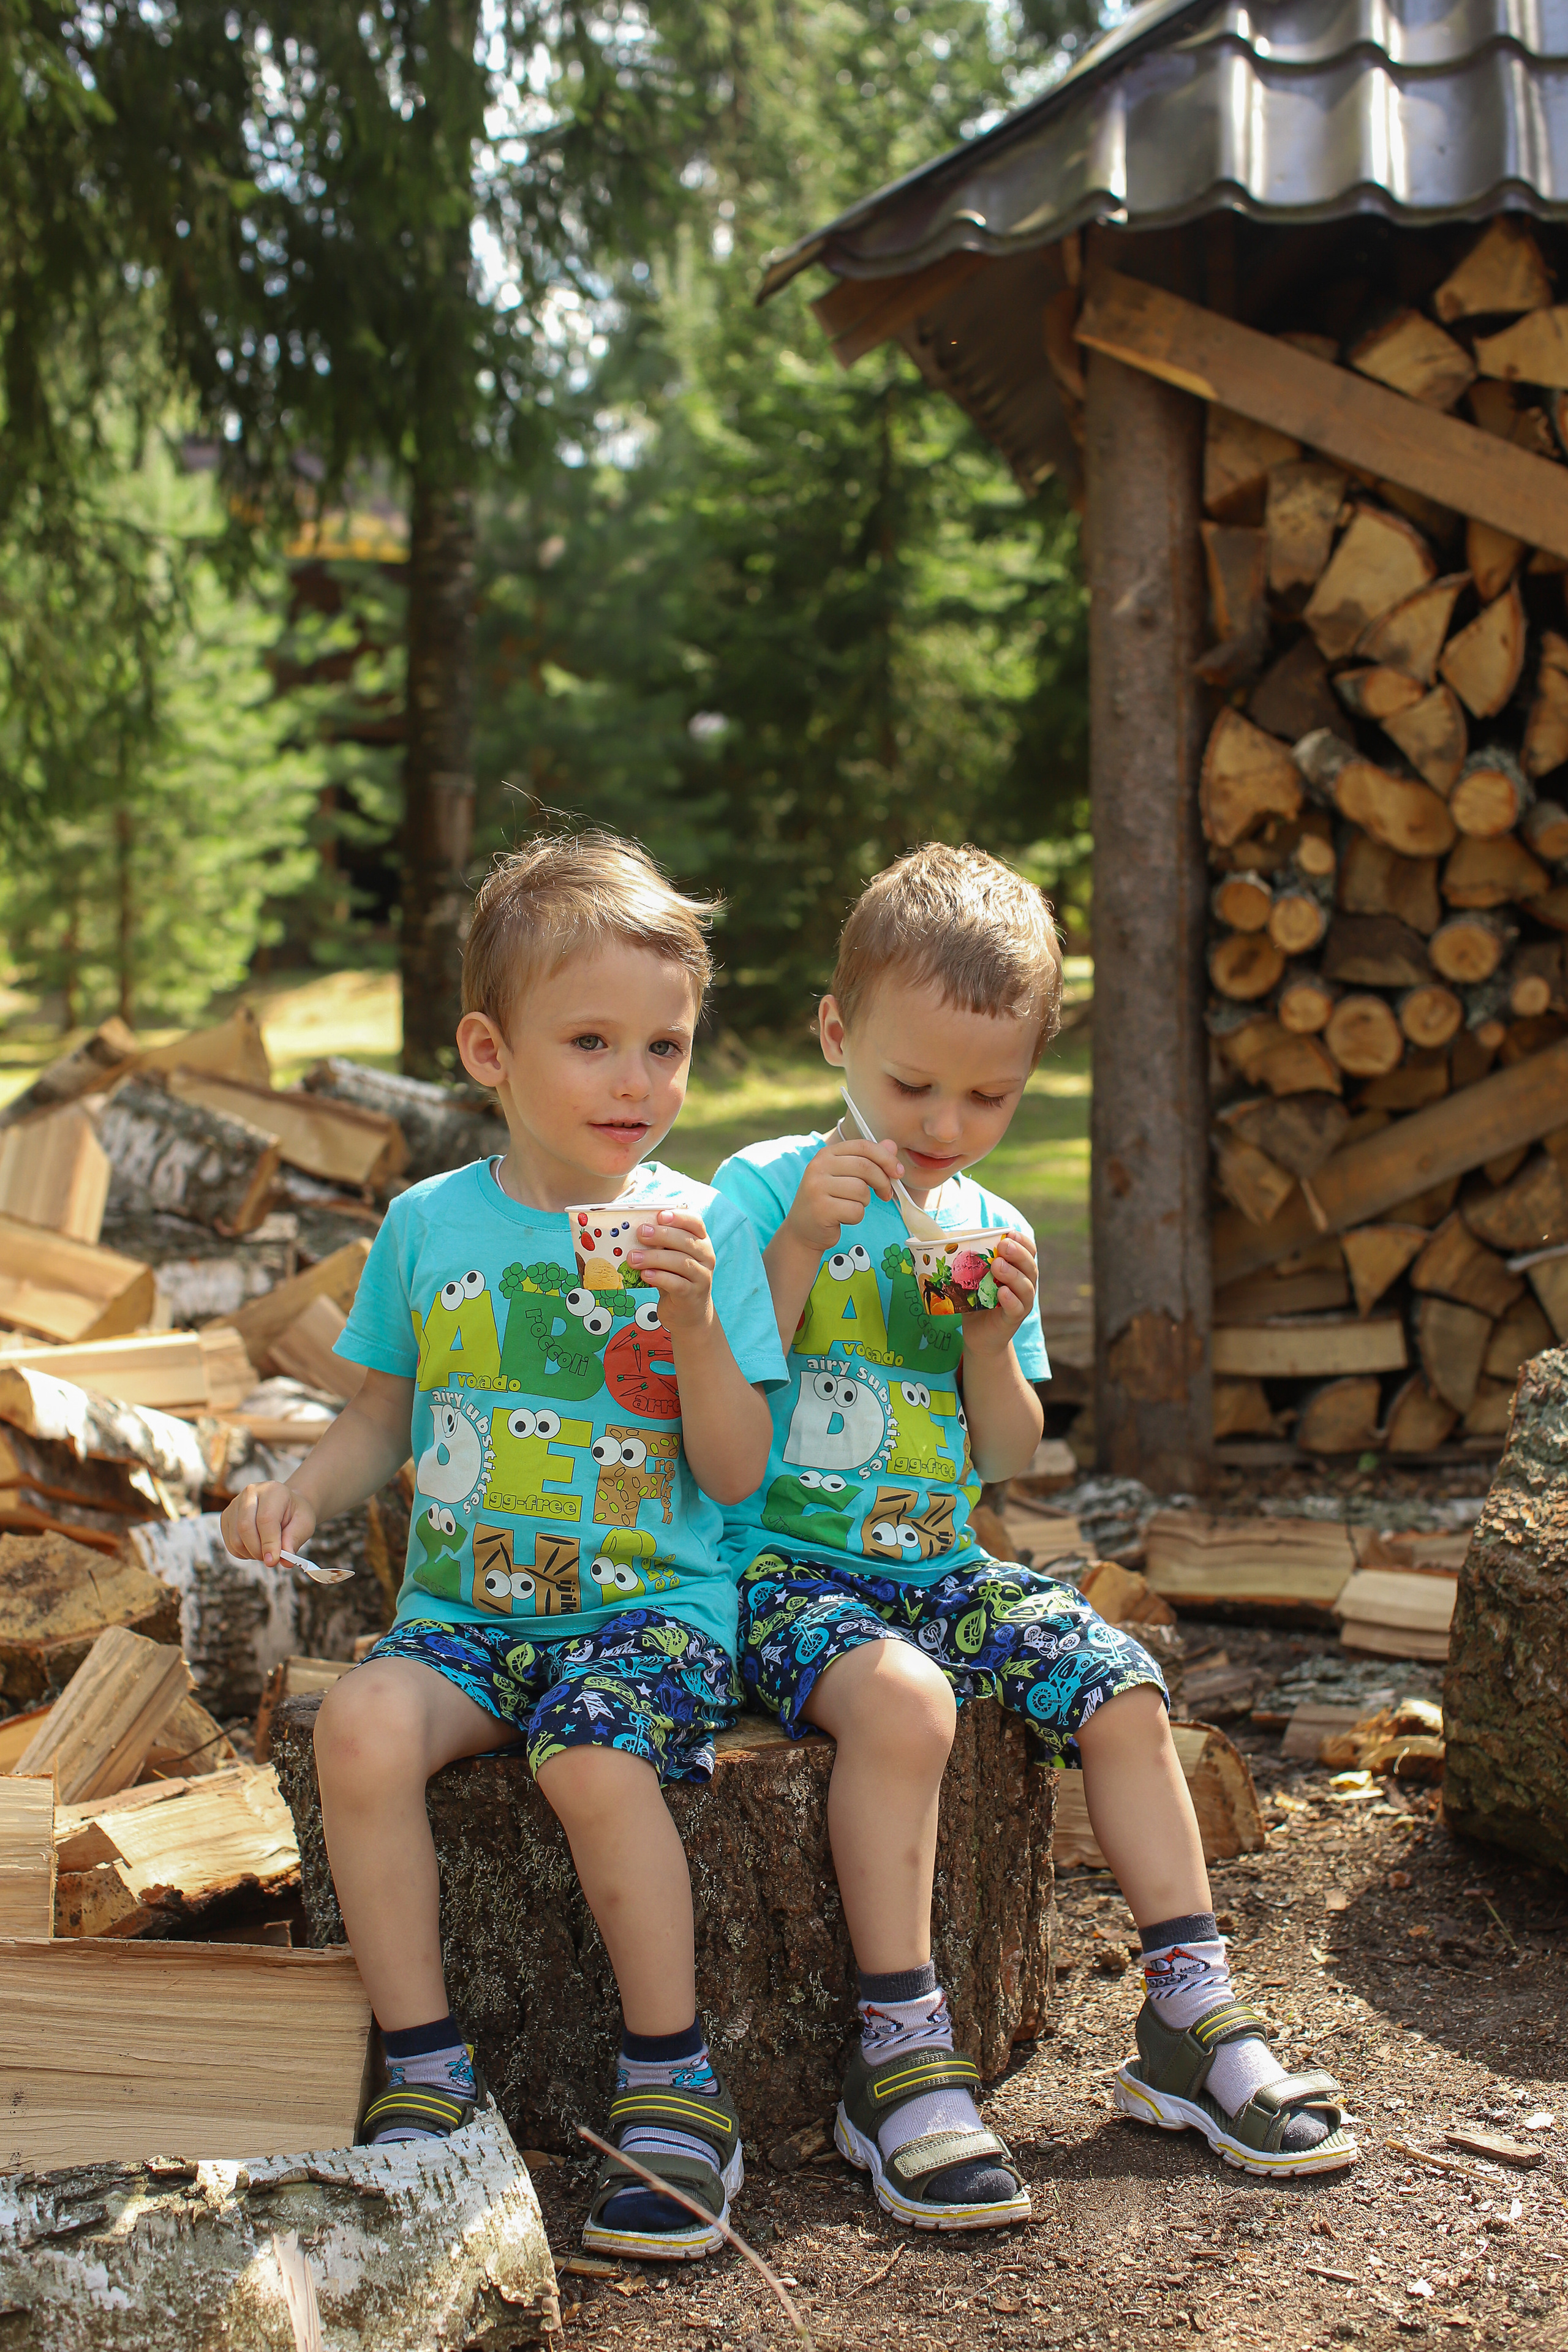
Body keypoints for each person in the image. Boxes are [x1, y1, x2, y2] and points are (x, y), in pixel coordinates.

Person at [710, 842, 1357, 2231]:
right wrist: (793, 1255)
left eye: (988, 1094)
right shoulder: (760, 1190)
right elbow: (723, 1402)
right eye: (909, 1085)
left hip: (942, 1561)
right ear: (836, 1035)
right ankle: (898, 2053)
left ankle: (1190, 2014)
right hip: (774, 1568)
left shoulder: (988, 1223)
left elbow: (1009, 1455)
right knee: (905, 1706)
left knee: (1118, 1685)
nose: (944, 1122)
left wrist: (998, 1339)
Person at [221, 831, 784, 2261]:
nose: (635, 1082)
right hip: (465, 1619)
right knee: (355, 1729)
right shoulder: (427, 1225)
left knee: (591, 1754)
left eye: (664, 1047)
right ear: (489, 1049)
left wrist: (702, 1325)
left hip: (644, 1611)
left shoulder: (700, 1228)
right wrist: (304, 1490)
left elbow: (736, 1473)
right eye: (591, 1041)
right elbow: (382, 1410)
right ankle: (425, 2072)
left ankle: (673, 2085)